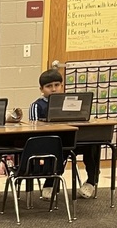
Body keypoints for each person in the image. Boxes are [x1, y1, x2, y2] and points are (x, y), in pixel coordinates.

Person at [29, 67, 99, 198]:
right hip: (52, 142)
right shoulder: (37, 106)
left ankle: (91, 181)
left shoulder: (72, 102)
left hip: (74, 140)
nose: (54, 89)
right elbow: (33, 128)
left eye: (57, 85)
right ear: (41, 89)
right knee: (59, 148)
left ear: (62, 86)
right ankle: (50, 183)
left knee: (93, 144)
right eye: (49, 86)